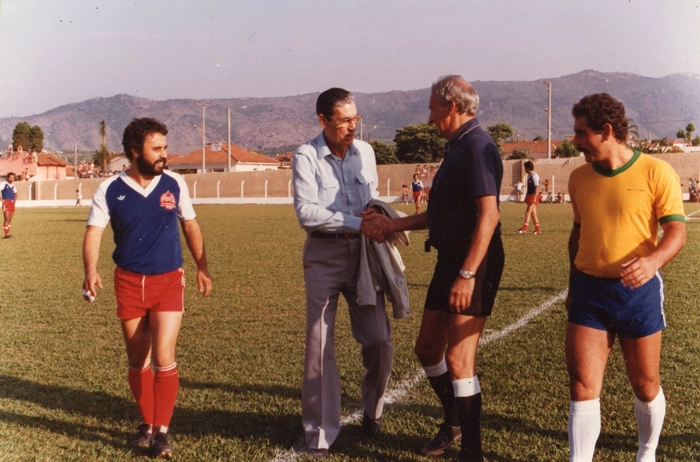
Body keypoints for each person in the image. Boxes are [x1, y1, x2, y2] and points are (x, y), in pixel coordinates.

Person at [377, 75, 504, 462]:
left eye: (433, 107)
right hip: (450, 258)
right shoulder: (457, 147)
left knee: (459, 358)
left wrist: (467, 274)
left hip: (474, 262)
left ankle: (472, 453)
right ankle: (453, 422)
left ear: (451, 107)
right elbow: (440, 213)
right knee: (428, 349)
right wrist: (393, 225)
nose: (429, 116)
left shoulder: (478, 146)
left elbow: (489, 215)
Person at [82, 118, 213, 459]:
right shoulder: (109, 189)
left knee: (165, 357)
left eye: (165, 148)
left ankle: (163, 432)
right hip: (127, 283)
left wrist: (202, 267)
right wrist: (90, 271)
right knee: (138, 358)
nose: (164, 155)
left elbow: (191, 225)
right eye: (157, 149)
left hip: (168, 280)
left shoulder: (174, 184)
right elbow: (94, 232)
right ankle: (147, 424)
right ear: (134, 151)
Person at [566, 93, 686, 462]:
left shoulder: (656, 171)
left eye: (581, 133)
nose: (576, 141)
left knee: (645, 384)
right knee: (583, 385)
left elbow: (676, 233)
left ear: (606, 131)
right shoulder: (578, 178)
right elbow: (577, 233)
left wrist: (652, 262)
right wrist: (572, 284)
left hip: (637, 292)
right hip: (588, 293)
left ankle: (646, 453)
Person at [292, 88, 394, 459]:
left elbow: (374, 197)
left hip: (365, 255)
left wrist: (376, 215)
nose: (353, 127)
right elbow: (307, 213)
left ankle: (373, 410)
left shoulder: (365, 152)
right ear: (323, 121)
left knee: (379, 340)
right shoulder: (306, 156)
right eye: (345, 120)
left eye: (356, 119)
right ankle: (319, 433)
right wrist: (356, 223)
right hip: (323, 255)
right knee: (319, 344)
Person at [518, 161, 541, 235]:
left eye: (525, 168)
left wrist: (535, 198)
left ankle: (524, 229)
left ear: (527, 168)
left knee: (528, 212)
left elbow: (537, 187)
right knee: (533, 214)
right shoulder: (529, 176)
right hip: (530, 196)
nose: (524, 169)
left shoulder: (535, 175)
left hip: (534, 196)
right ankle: (538, 230)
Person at [1, 172, 17, 238]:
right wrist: (1, 200)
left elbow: (16, 193)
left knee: (10, 219)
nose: (11, 179)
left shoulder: (13, 185)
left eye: (13, 178)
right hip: (6, 203)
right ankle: (6, 234)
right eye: (10, 177)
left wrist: (15, 201)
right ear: (7, 178)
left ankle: (8, 233)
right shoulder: (4, 184)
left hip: (12, 203)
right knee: (6, 219)